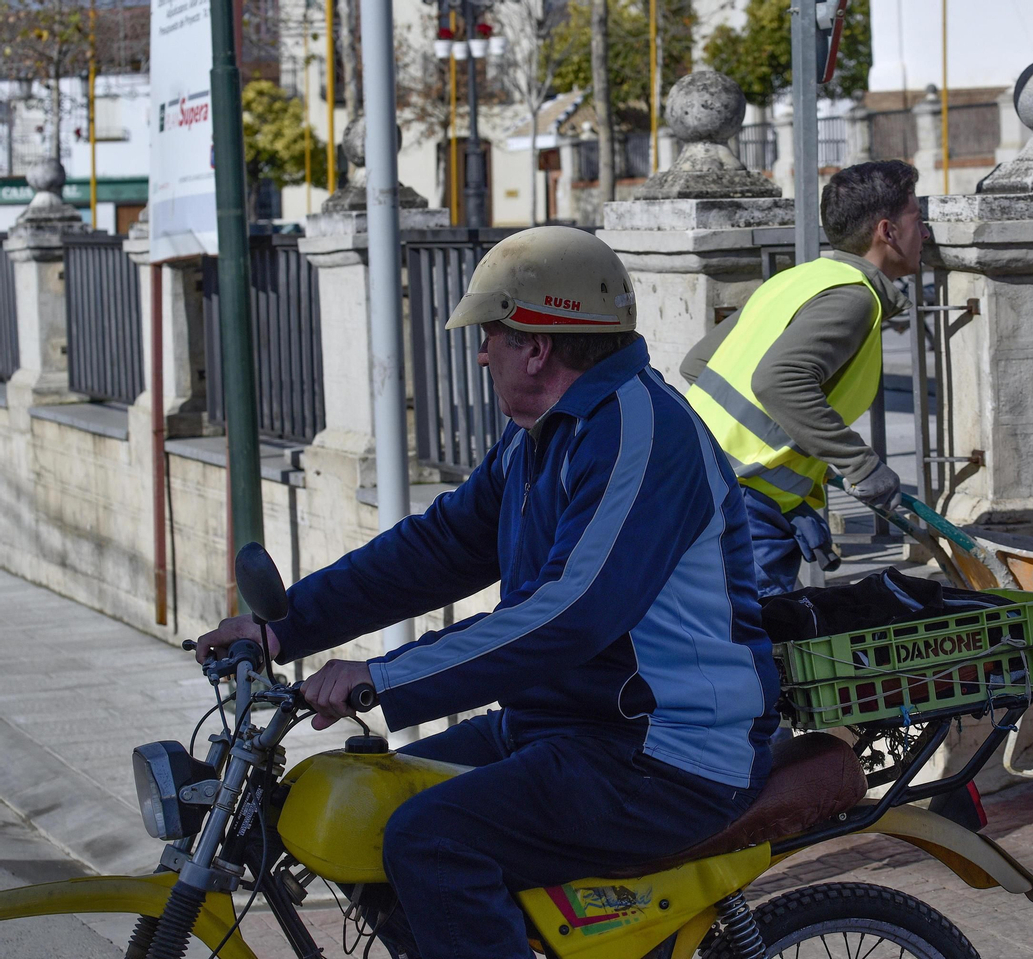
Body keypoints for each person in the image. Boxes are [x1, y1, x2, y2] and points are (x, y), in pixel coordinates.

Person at [195, 227, 780, 959]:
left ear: (535, 344)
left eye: (490, 336)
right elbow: (438, 547)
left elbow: (569, 615)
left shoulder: (639, 430)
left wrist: (381, 678)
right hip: (565, 725)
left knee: (431, 840)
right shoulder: (542, 433)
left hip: (665, 750)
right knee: (362, 801)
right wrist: (282, 629)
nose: (479, 353)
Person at [681, 160, 924, 597]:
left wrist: (791, 494)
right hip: (740, 502)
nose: (924, 235)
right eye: (917, 221)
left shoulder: (797, 279)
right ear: (887, 232)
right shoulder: (853, 299)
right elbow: (778, 383)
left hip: (702, 478)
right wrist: (862, 465)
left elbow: (698, 364)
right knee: (750, 643)